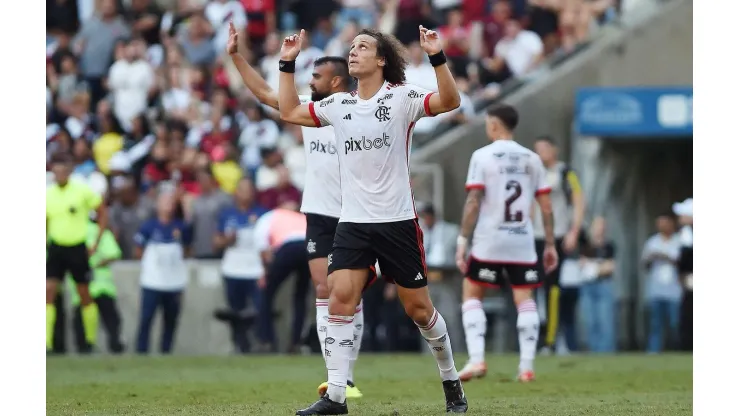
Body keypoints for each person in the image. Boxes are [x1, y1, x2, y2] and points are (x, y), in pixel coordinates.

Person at [277, 26, 468, 414]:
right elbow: (289, 111)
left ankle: (451, 381)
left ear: (381, 59)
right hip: (353, 223)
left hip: (397, 222)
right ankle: (335, 396)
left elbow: (450, 100)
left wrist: (436, 56)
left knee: (419, 311)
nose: (353, 52)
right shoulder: (338, 105)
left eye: (363, 47)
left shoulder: (402, 98)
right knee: (339, 297)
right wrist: (286, 63)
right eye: (351, 47)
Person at [227, 22, 368, 398]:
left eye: (318, 76)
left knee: (349, 296)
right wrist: (236, 57)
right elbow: (262, 92)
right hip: (320, 213)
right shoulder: (303, 109)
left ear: (337, 82)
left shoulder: (360, 113)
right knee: (324, 288)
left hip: (356, 214)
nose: (311, 81)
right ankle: (334, 374)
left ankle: (348, 374)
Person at [454, 105, 558, 383]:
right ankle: (526, 367)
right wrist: (549, 244)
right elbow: (546, 207)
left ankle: (477, 359)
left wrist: (463, 239)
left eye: (488, 122)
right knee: (525, 301)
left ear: (495, 125)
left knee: (472, 294)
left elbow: (474, 200)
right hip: (521, 240)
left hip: (490, 238)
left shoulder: (482, 156)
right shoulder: (532, 159)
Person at [46, 152, 109, 353]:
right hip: (56, 247)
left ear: (69, 172)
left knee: (84, 294)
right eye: (56, 171)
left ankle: (89, 341)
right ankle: (46, 343)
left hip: (77, 247)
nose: (59, 175)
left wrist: (96, 241)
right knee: (48, 292)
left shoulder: (82, 191)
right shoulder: (48, 194)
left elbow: (101, 212)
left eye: (62, 171)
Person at [532, 135, 585, 354]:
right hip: (535, 235)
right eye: (536, 149)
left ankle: (551, 340)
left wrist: (574, 231)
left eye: (544, 148)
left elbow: (579, 200)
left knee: (551, 287)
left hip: (558, 235)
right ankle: (533, 336)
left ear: (554, 150)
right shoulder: (534, 173)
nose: (539, 153)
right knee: (531, 286)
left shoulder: (565, 173)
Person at [213, 178, 268, 353]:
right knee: (235, 312)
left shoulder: (262, 214)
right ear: (236, 192)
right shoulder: (226, 214)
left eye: (249, 189)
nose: (245, 193)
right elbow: (216, 242)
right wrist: (227, 240)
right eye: (242, 189)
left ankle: (260, 343)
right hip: (232, 270)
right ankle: (240, 345)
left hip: (255, 270)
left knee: (258, 310)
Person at [134, 192, 192, 354]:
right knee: (146, 319)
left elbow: (188, 249)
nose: (168, 205)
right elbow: (138, 250)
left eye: (171, 202)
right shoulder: (148, 226)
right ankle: (141, 352)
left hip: (174, 282)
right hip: (152, 281)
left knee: (170, 320)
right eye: (164, 201)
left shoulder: (180, 227)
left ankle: (166, 351)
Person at [253, 203, 312, 353]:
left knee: (267, 294)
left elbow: (262, 246)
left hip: (287, 248)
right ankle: (296, 342)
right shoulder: (302, 217)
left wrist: (265, 273)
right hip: (309, 249)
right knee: (300, 296)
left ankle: (267, 340)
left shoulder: (271, 216)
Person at [68, 218, 125, 354]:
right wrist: (96, 263)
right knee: (110, 320)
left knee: (82, 319)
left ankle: (85, 348)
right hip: (101, 285)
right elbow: (114, 253)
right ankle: (115, 345)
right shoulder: (100, 231)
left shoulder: (70, 232)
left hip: (85, 286)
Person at [641, 212, 681, 354]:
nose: (661, 226)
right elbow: (644, 265)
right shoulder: (652, 242)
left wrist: (665, 256)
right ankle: (653, 352)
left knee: (675, 323)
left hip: (674, 290)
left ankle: (678, 350)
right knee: (655, 324)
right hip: (656, 290)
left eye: (664, 222)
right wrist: (651, 258)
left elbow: (684, 263)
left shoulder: (680, 240)